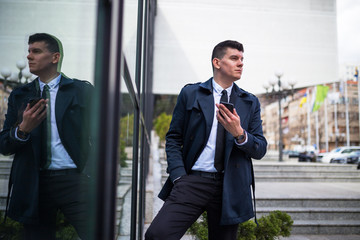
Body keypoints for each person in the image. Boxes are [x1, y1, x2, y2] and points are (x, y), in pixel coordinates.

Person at [145, 40, 267, 240]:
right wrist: (178, 176)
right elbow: (174, 138)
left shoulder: (249, 101)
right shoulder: (191, 93)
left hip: (230, 187)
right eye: (234, 58)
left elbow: (260, 149)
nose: (241, 63)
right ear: (217, 63)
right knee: (157, 235)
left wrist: (239, 133)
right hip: (191, 182)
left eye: (242, 59)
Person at [0, 33, 93, 239]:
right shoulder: (20, 95)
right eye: (28, 51)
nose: (29, 56)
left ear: (55, 57)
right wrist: (22, 129)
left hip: (74, 180)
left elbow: (100, 136)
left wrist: (89, 174)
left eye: (36, 51)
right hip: (34, 183)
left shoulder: (81, 91)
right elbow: (4, 144)